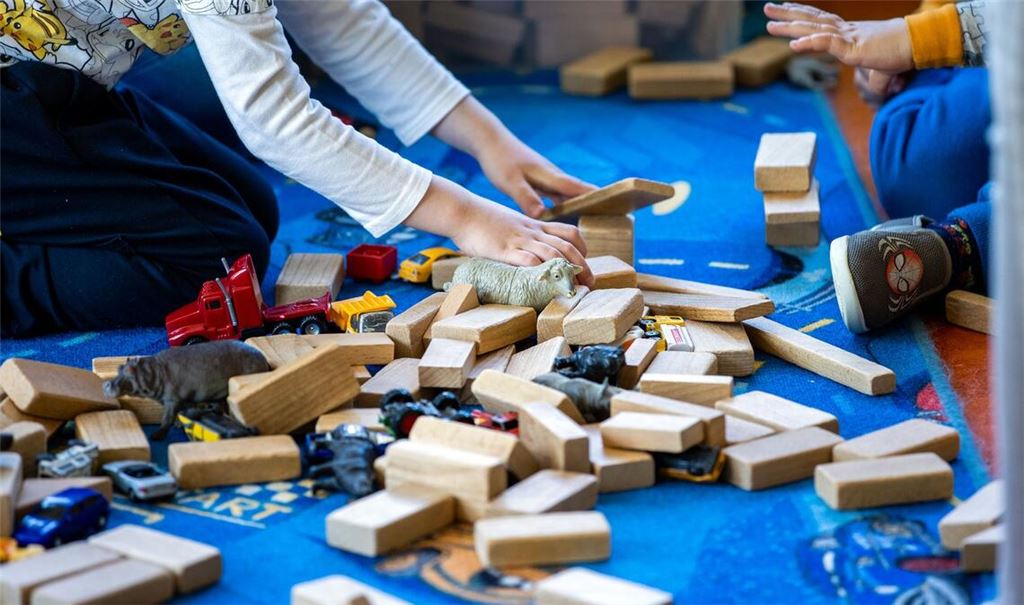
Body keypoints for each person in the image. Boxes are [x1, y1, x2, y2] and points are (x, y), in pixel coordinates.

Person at [0, 0, 595, 337]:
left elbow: (343, 22)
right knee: (213, 261)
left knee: (249, 206)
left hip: (62, 87)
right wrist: (463, 216)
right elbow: (273, 119)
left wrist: (490, 141)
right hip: (16, 103)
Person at [765, 1, 992, 333]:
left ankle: (959, 247)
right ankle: (928, 78)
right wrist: (916, 45)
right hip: (997, 48)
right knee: (913, 170)